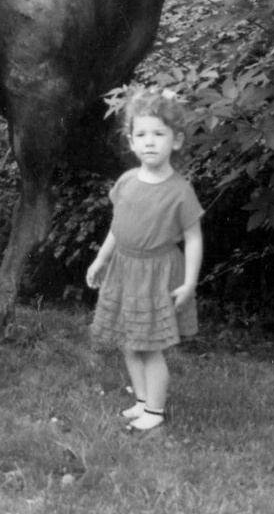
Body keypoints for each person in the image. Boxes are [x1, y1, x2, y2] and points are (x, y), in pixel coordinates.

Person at [85, 88, 204, 434]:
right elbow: (117, 228)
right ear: (131, 142)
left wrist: (190, 281)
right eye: (141, 134)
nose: (149, 142)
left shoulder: (180, 191)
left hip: (157, 274)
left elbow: (194, 237)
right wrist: (100, 259)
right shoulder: (125, 182)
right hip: (125, 269)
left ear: (176, 140)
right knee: (128, 341)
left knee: (149, 346)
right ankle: (141, 400)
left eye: (158, 134)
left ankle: (155, 409)